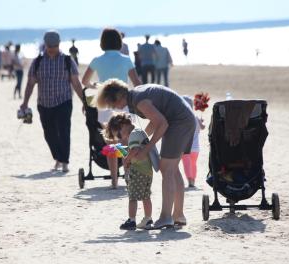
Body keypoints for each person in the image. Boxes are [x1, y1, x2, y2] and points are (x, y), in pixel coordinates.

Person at [97, 79, 196, 229]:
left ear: (118, 98)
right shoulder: (137, 94)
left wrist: (146, 149)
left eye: (112, 104)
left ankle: (166, 217)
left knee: (167, 169)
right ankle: (178, 215)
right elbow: (155, 121)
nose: (113, 108)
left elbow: (162, 124)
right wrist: (140, 138)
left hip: (179, 122)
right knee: (173, 169)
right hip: (184, 120)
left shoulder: (139, 101)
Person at [81, 27, 141, 188]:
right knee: (126, 142)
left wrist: (98, 86)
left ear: (102, 42)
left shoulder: (97, 60)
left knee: (111, 143)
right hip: (124, 103)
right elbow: (137, 84)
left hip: (104, 104)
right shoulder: (126, 59)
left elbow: (85, 81)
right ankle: (128, 176)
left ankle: (114, 181)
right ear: (119, 42)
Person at [20, 31, 84, 173]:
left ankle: (65, 162)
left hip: (64, 101)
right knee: (49, 134)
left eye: (54, 46)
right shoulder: (38, 62)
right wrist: (25, 102)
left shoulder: (67, 60)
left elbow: (76, 83)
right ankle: (58, 158)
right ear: (45, 45)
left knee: (64, 131)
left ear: (58, 44)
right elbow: (30, 84)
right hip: (44, 103)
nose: (51, 49)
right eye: (49, 46)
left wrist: (84, 102)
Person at [105, 113, 153, 230]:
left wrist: (126, 160)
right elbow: (136, 148)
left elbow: (135, 150)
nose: (122, 138)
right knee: (146, 196)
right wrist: (121, 150)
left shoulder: (133, 134)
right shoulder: (138, 131)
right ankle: (148, 218)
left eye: (120, 134)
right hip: (147, 170)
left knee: (132, 197)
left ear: (122, 125)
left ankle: (131, 220)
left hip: (137, 171)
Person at [181, 96, 205, 188]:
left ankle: (190, 182)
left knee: (187, 165)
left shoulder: (182, 118)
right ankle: (193, 181)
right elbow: (202, 127)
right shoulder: (195, 117)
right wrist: (200, 122)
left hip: (185, 147)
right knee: (193, 164)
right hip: (195, 148)